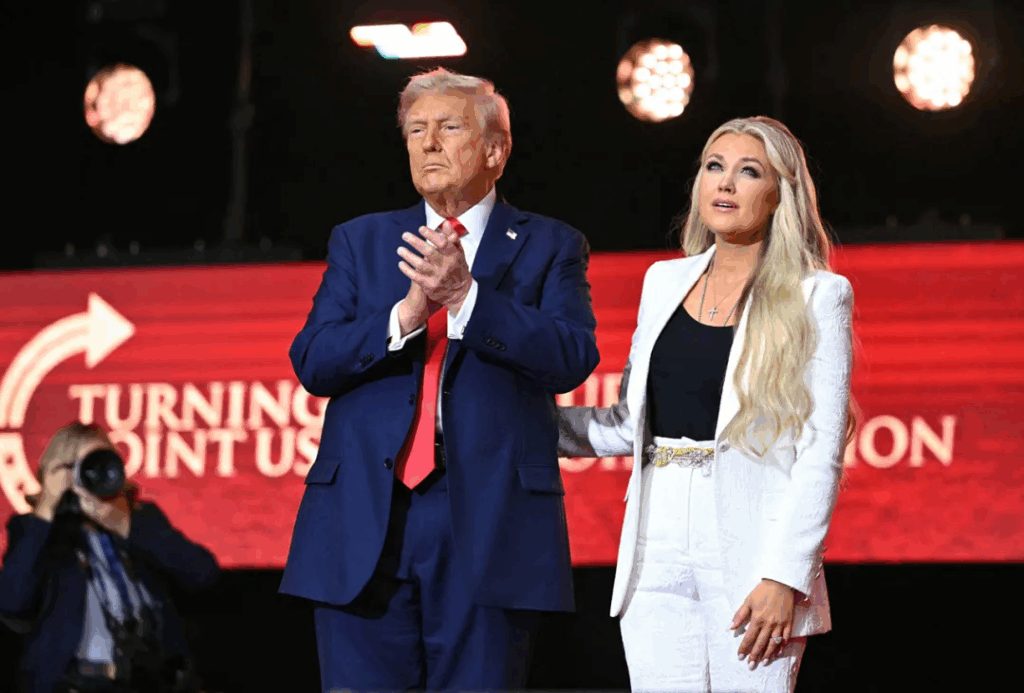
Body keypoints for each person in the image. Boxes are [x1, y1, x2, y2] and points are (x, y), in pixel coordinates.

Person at [280, 67, 600, 692]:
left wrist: (467, 299)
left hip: (489, 521)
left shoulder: (551, 245)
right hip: (365, 517)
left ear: (496, 150)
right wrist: (403, 317)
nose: (428, 143)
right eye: (416, 130)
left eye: (448, 127)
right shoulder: (361, 240)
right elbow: (313, 360)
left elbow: (571, 355)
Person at [558, 116, 855, 693]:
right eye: (714, 166)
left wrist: (785, 577)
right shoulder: (662, 281)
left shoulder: (818, 294)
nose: (726, 183)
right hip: (654, 542)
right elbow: (628, 424)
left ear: (780, 194)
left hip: (752, 552)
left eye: (749, 172)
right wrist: (517, 421)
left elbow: (820, 453)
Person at [0, 422, 220, 693]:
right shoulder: (39, 532)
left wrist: (125, 527)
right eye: (81, 468)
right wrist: (46, 508)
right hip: (74, 684)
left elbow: (203, 575)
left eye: (101, 462)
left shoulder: (142, 520)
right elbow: (10, 600)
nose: (93, 475)